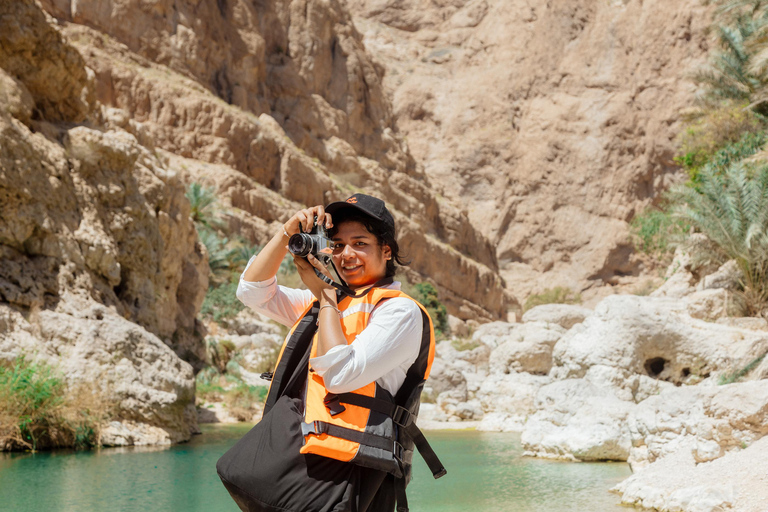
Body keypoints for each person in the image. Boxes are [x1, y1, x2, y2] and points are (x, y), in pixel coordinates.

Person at [216, 194, 445, 512]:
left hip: (350, 472)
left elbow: (340, 376)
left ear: (386, 250)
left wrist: (325, 297)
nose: (346, 254)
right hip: (307, 462)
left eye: (360, 243)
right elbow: (252, 291)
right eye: (337, 245)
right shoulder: (331, 302)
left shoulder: (399, 311)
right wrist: (286, 234)